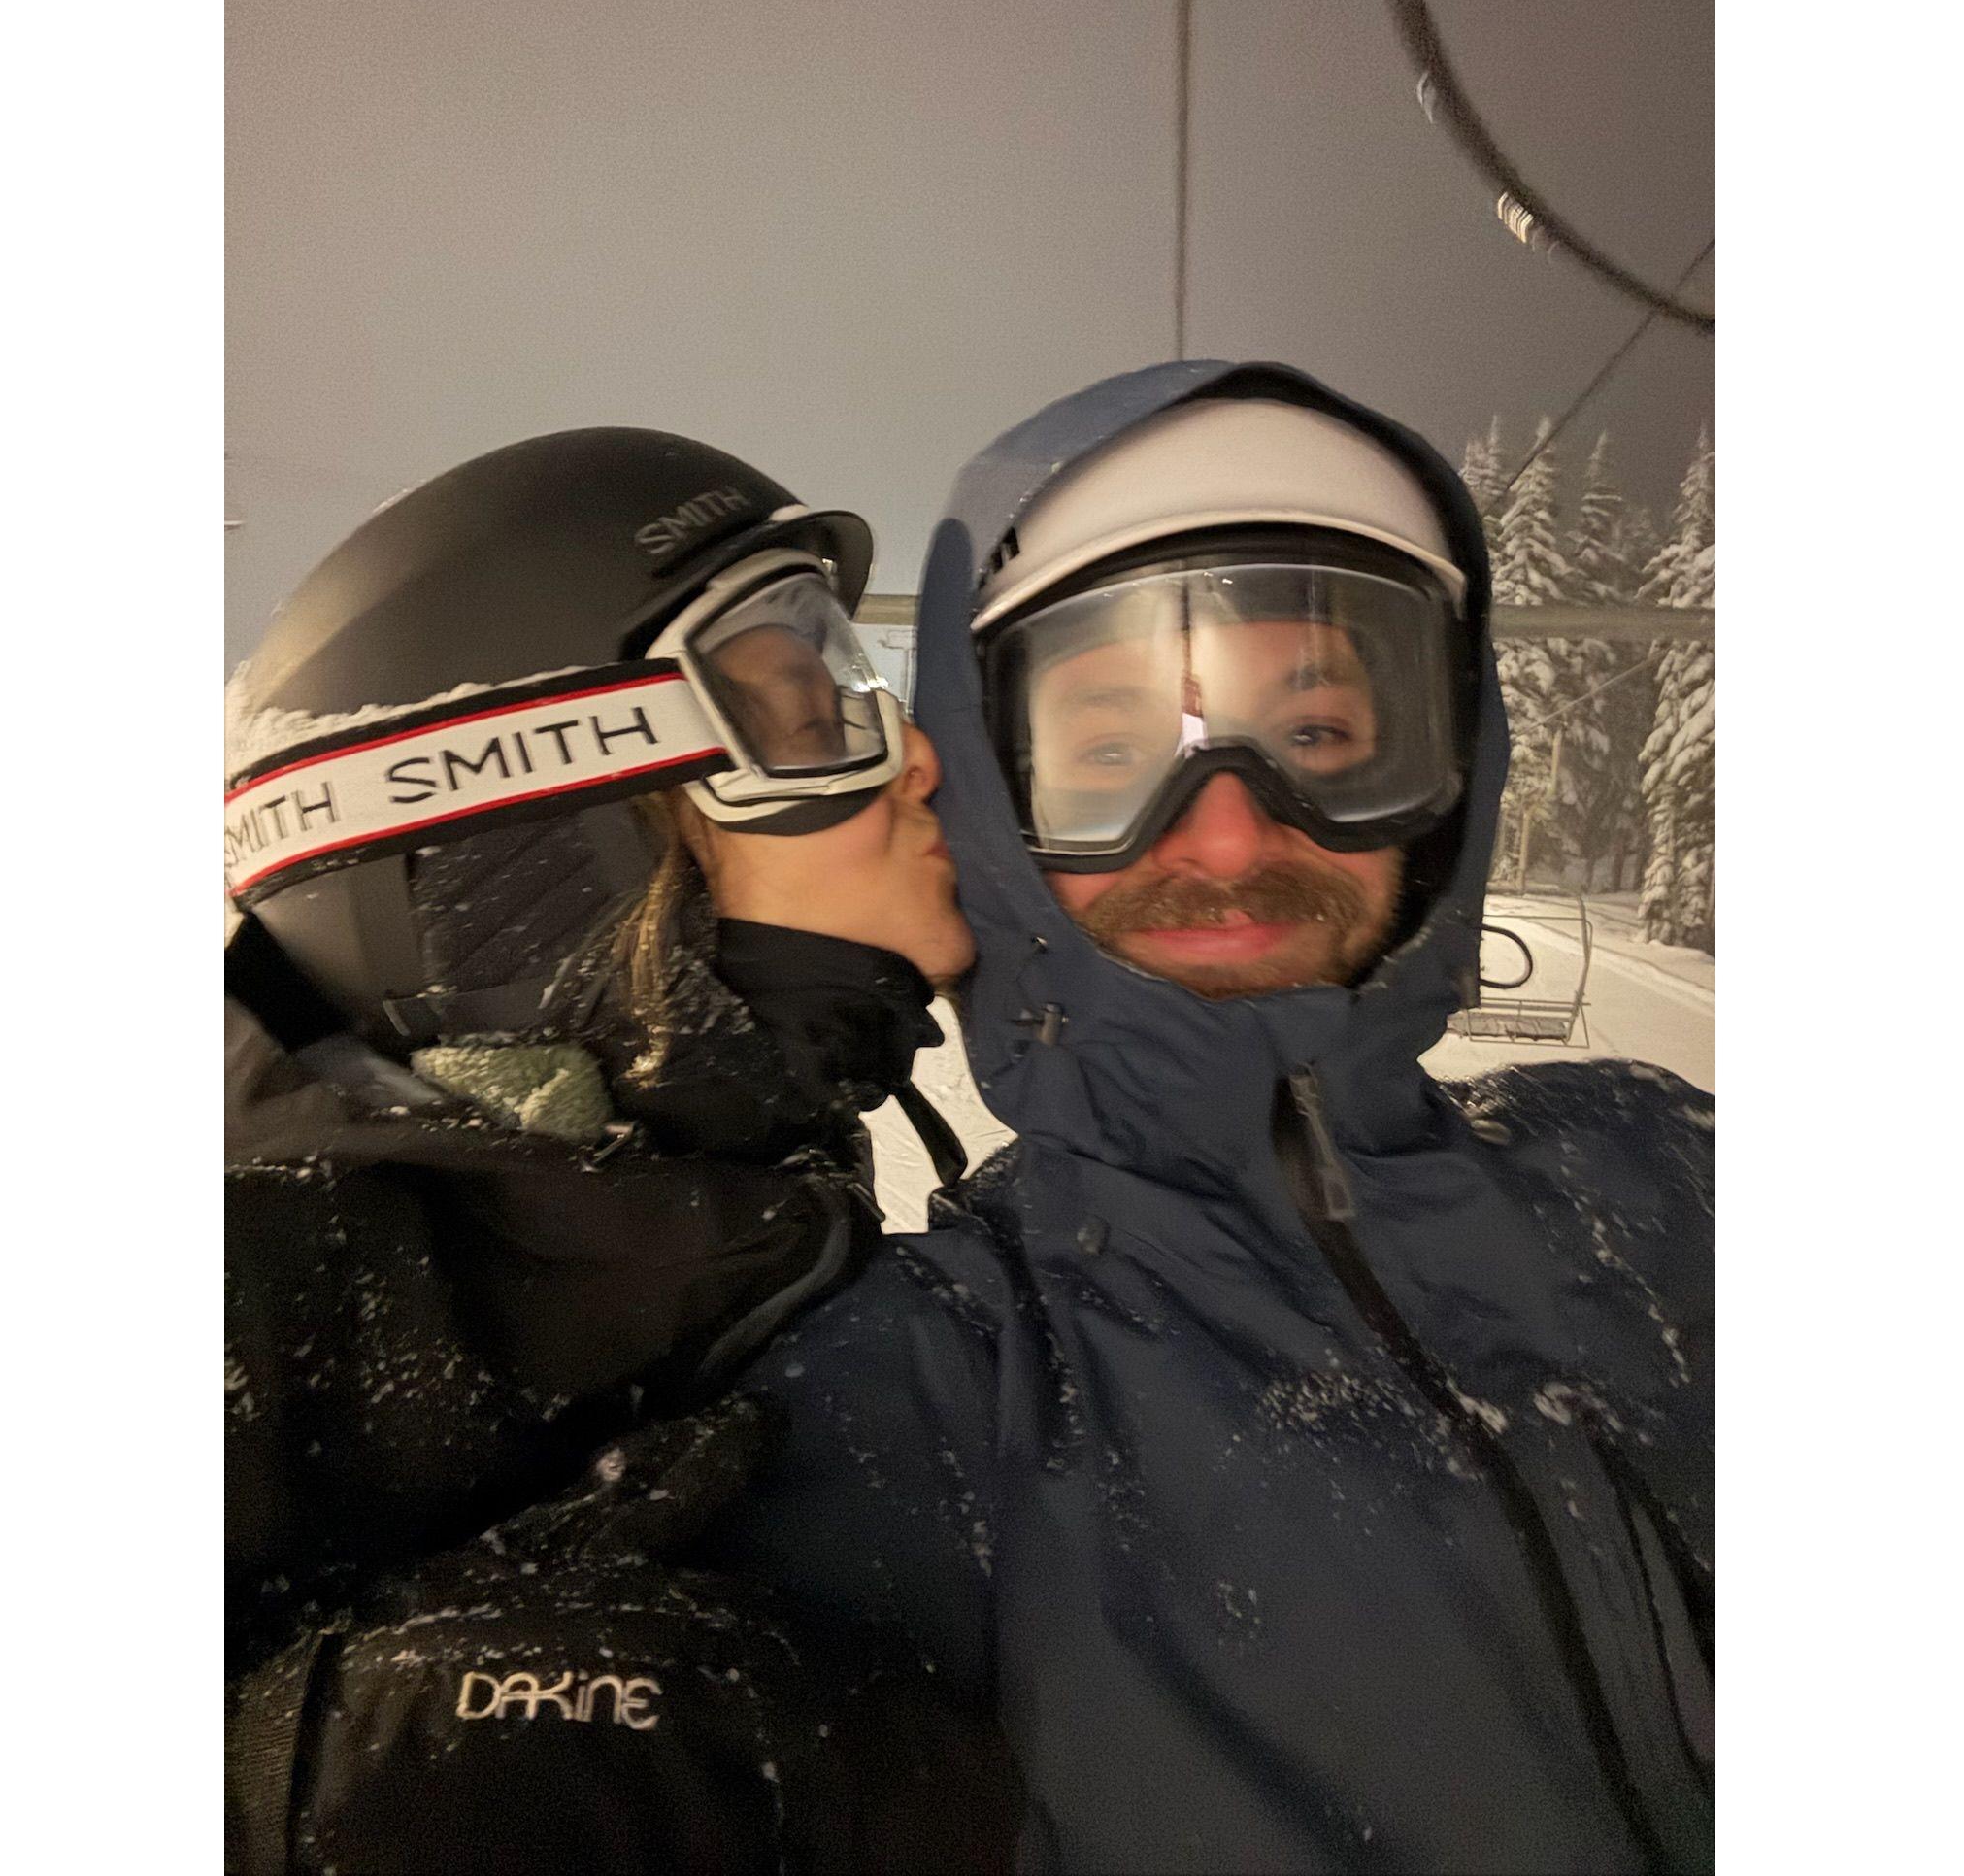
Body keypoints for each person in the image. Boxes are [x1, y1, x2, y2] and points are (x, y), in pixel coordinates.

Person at [697, 363, 1715, 1874]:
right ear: (995, 804)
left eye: (1320, 738)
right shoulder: (929, 1382)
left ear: (1441, 784)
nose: (1231, 835)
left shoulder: (1666, 1175)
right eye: (1113, 758)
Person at [224, 427, 1015, 1872]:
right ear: (526, 846)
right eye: (804, 707)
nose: (912, 756)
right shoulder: (247, 1304)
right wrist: (296, 1783)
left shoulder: (765, 1227)